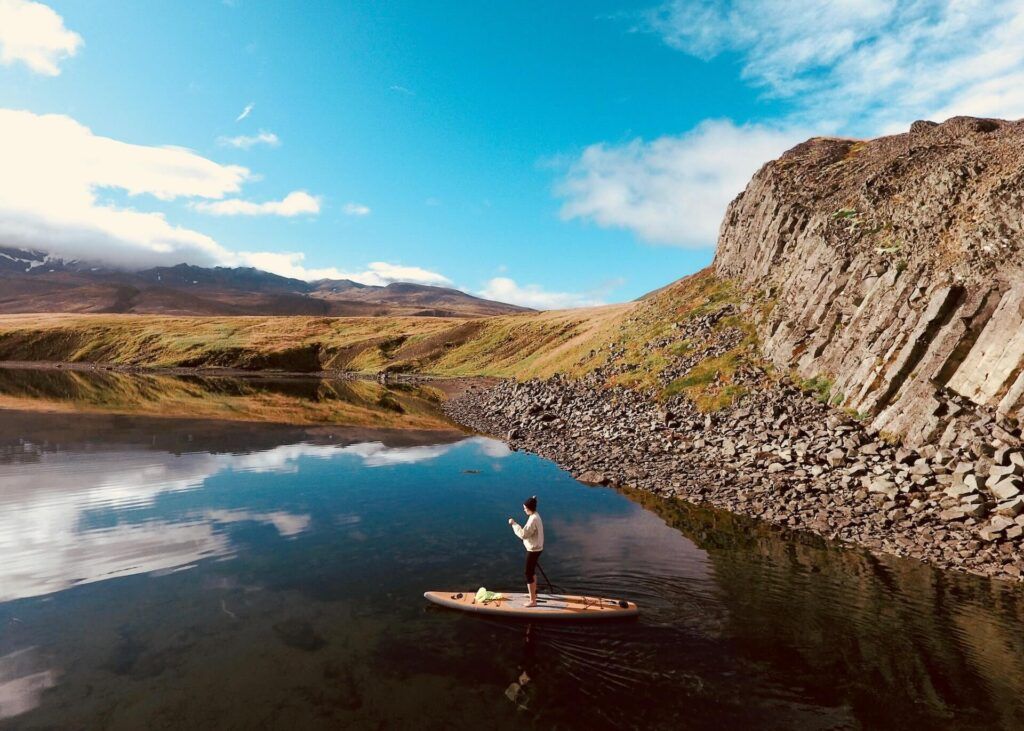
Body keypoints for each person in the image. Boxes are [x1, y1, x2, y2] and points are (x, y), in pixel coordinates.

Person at [508, 495, 545, 607]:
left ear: (529, 508)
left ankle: (532, 601)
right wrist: (533, 499)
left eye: (525, 508)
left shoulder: (533, 519)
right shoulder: (535, 515)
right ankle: (533, 594)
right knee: (531, 571)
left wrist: (514, 524)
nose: (524, 510)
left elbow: (523, 534)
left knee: (528, 573)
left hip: (534, 550)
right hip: (537, 548)